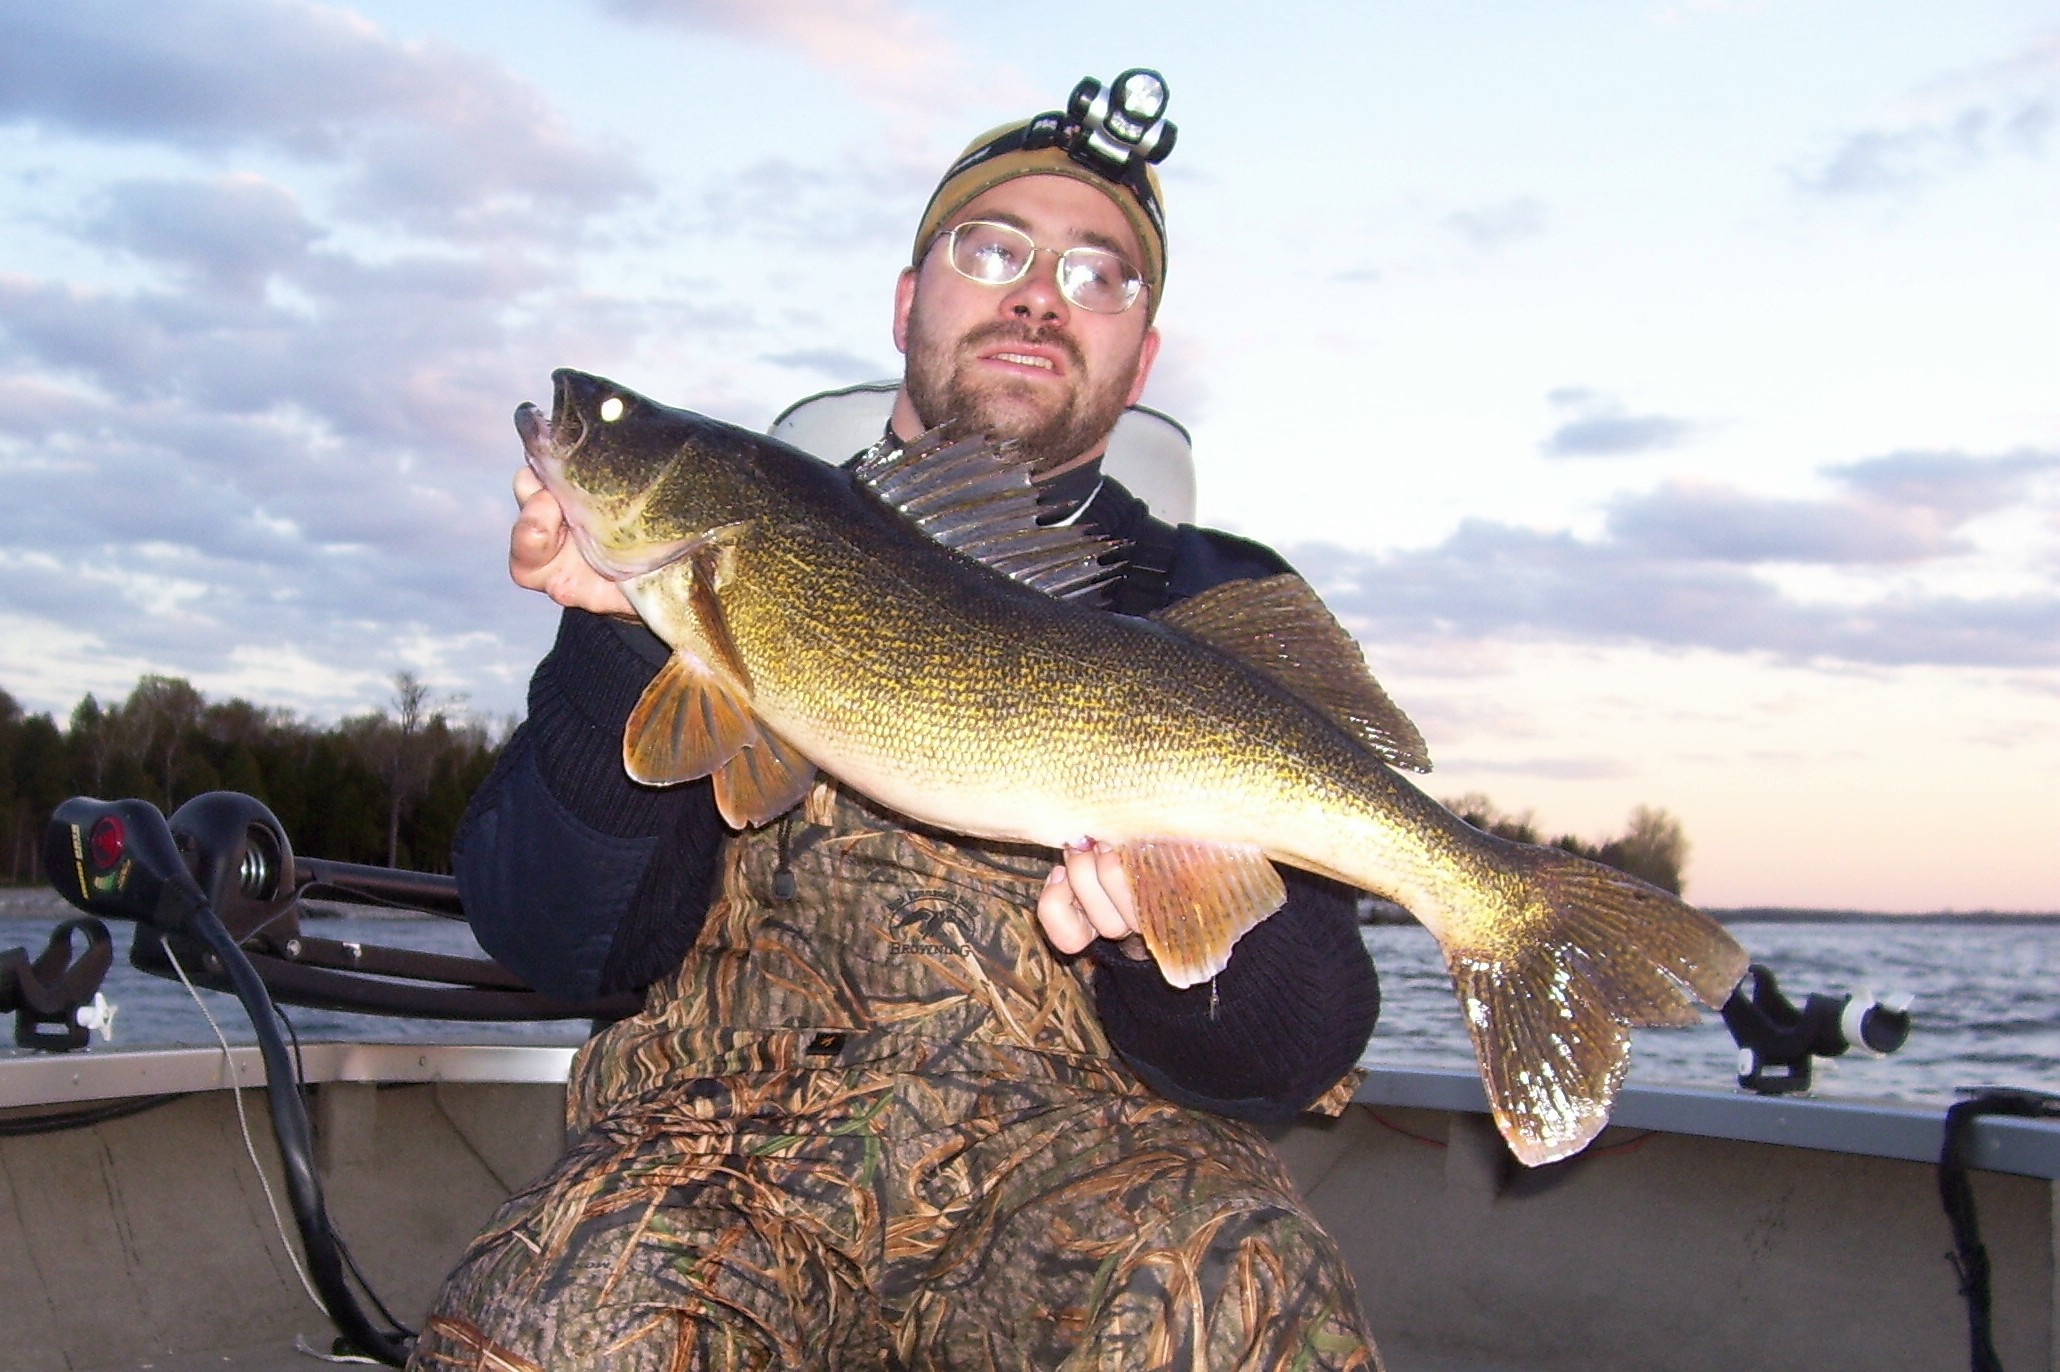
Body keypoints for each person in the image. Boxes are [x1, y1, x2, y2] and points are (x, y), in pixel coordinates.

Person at [410, 70, 1385, 1372]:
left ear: (1142, 357)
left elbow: (1303, 1041)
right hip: (726, 1162)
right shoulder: (739, 538)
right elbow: (558, 943)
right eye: (993, 250)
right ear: (908, 297)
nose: (1041, 293)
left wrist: (1172, 945)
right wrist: (616, 642)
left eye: (1101, 274)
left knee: (1249, 1301)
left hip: (1094, 1173)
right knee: (550, 1335)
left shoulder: (1212, 604)